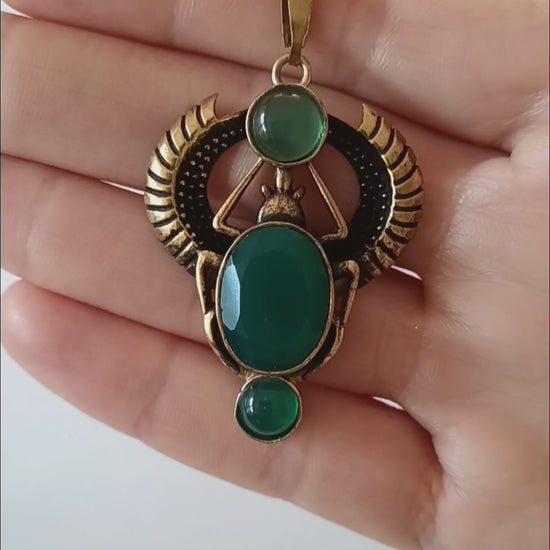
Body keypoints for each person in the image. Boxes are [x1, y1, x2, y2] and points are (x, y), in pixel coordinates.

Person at [1, 1, 548, 549]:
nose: (280, 195)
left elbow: (221, 252)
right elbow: (326, 259)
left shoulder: (241, 263)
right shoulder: (317, 266)